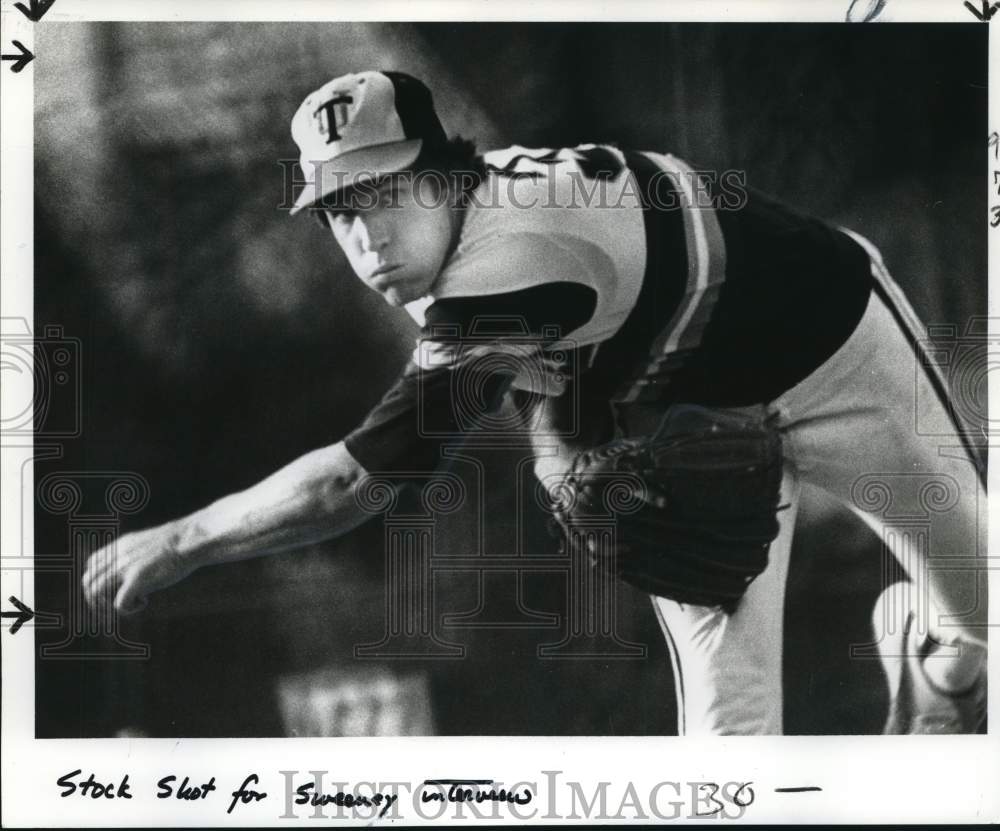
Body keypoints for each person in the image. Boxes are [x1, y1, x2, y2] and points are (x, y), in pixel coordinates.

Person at [82, 69, 987, 735]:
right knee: (729, 729)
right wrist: (573, 445)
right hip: (682, 421)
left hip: (834, 350)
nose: (365, 234)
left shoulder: (504, 268)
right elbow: (561, 364)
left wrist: (182, 537)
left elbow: (349, 486)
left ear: (444, 174)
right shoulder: (473, 242)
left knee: (986, 616)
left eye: (387, 192)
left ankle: (939, 666)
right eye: (341, 208)